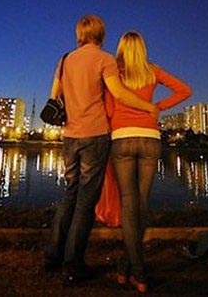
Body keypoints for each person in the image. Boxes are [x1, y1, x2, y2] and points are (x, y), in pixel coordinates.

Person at [44, 15, 160, 285]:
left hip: (69, 136)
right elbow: (118, 93)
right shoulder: (105, 60)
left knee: (70, 194)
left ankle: (53, 255)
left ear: (79, 33)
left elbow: (53, 97)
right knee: (86, 200)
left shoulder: (65, 60)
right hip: (94, 136)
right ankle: (73, 265)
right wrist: (148, 107)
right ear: (102, 34)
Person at [106, 31, 191, 293]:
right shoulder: (152, 70)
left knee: (130, 203)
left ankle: (136, 269)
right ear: (143, 48)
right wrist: (159, 106)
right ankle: (126, 265)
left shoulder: (114, 71)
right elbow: (185, 90)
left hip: (122, 137)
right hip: (150, 138)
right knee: (141, 203)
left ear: (121, 48)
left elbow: (109, 106)